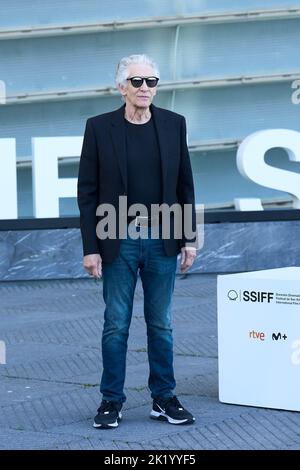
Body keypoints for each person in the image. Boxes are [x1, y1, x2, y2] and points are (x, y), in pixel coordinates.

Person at [77, 54, 197, 429]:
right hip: (116, 238)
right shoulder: (99, 128)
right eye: (137, 81)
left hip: (164, 236)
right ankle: (111, 401)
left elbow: (185, 186)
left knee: (160, 323)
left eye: (152, 81)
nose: (146, 88)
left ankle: (163, 397)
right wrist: (90, 247)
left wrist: (189, 237)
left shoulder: (175, 124)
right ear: (121, 87)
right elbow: (88, 192)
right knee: (116, 323)